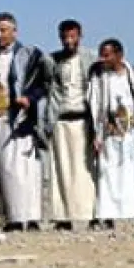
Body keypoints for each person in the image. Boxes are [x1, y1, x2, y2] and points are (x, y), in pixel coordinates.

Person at [0, 11, 46, 231]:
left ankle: (32, 217)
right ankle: (14, 218)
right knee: (7, 170)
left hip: (22, 119)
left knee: (27, 170)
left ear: (14, 31)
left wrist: (29, 99)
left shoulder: (31, 54)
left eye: (4, 30)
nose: (0, 35)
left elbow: (43, 84)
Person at [88, 38, 134, 228]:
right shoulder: (99, 77)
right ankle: (109, 217)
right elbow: (95, 104)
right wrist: (99, 131)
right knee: (108, 174)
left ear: (119, 55)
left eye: (107, 55)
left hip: (133, 133)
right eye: (101, 55)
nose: (103, 59)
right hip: (110, 133)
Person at [43, 19, 98, 230]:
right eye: (65, 37)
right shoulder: (52, 61)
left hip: (84, 120)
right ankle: (63, 217)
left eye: (72, 36)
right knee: (61, 169)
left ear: (80, 36)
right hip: (61, 120)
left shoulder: (91, 58)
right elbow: (49, 88)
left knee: (86, 170)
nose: (68, 41)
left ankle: (92, 215)